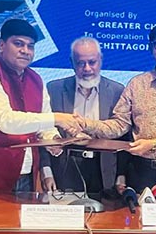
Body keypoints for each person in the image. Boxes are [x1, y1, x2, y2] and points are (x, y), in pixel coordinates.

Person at [74, 23, 156, 198]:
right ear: (151, 48)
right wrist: (85, 124)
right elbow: (119, 125)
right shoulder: (137, 84)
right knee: (135, 216)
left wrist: (152, 144)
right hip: (140, 171)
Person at [0, 19, 78, 192]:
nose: (25, 51)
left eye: (30, 46)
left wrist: (54, 140)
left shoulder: (36, 79)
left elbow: (44, 125)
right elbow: (6, 121)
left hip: (25, 175)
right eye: (18, 44)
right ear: (1, 45)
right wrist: (58, 118)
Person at [41, 37, 125, 194]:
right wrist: (46, 172)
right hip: (65, 168)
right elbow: (43, 130)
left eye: (92, 62)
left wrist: (121, 177)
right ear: (72, 62)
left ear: (100, 60)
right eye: (80, 63)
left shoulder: (117, 91)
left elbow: (123, 137)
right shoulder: (54, 89)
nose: (87, 69)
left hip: (103, 170)